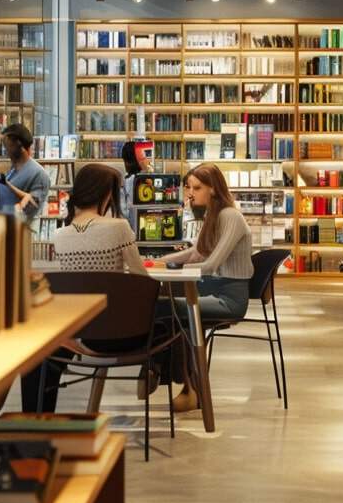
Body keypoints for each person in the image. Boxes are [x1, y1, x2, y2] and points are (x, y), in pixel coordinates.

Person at [21, 163, 150, 412]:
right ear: (107, 194)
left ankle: (37, 421)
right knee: (177, 315)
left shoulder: (60, 235)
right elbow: (140, 280)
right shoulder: (120, 228)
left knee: (39, 352)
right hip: (121, 333)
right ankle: (160, 375)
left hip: (80, 334)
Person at [152, 163, 253, 411]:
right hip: (212, 288)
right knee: (166, 307)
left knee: (167, 310)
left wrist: (174, 270)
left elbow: (211, 264)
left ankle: (163, 374)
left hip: (228, 298)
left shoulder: (230, 216)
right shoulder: (213, 215)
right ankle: (180, 382)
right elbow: (197, 254)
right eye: (189, 187)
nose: (190, 194)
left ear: (214, 189)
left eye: (197, 188)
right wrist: (157, 263)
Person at [0, 123, 50, 220]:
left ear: (18, 145)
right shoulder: (13, 170)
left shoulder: (39, 174)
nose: (6, 150)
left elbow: (30, 209)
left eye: (7, 146)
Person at [120, 139, 152, 231]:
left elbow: (124, 213)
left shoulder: (126, 182)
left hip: (132, 230)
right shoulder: (151, 179)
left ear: (126, 162)